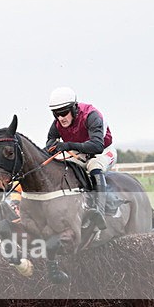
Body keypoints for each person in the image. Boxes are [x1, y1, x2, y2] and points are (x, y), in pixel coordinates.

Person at [44, 86, 117, 230]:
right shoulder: (58, 122)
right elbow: (50, 141)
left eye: (63, 113)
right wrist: (53, 147)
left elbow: (97, 146)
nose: (60, 118)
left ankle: (100, 211)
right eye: (56, 114)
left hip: (103, 151)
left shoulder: (91, 115)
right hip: (80, 152)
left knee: (94, 166)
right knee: (62, 167)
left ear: (74, 108)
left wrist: (68, 145)